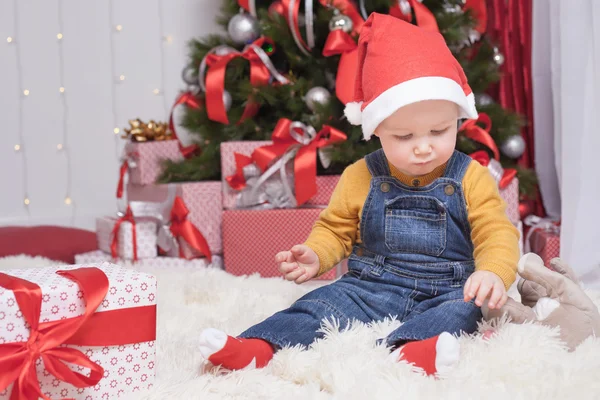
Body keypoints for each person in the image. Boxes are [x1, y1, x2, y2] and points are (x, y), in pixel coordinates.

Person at [199, 13, 520, 376]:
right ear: (376, 129)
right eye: (405, 137)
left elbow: (497, 232)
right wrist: (316, 254)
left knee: (464, 309)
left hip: (448, 286)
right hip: (373, 284)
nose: (424, 148)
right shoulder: (361, 175)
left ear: (458, 120)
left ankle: (413, 352)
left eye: (439, 130)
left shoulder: (470, 177)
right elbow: (336, 229)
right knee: (321, 303)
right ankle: (258, 346)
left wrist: (493, 272)